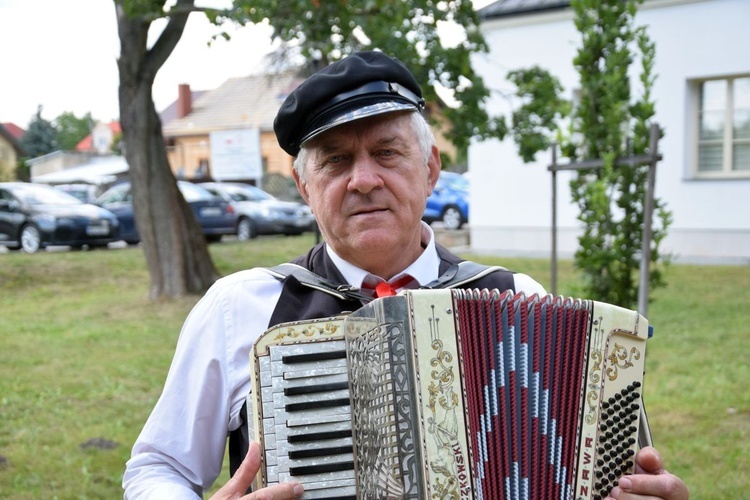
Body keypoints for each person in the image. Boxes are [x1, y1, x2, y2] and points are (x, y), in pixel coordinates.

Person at [123, 51, 689, 500]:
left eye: (387, 152)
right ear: (305, 188)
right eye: (336, 160)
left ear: (431, 168)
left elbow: (615, 478)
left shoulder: (521, 302)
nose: (363, 179)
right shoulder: (239, 306)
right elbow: (158, 467)